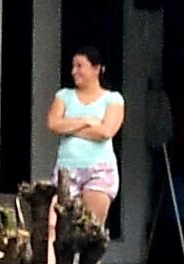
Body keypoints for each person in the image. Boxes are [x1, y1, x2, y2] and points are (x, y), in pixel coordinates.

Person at [46, 48, 125, 224]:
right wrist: (86, 121)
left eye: (80, 66)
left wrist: (69, 126)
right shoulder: (64, 96)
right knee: (53, 227)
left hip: (99, 170)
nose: (74, 71)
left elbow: (106, 131)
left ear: (96, 69)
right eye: (73, 66)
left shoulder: (113, 99)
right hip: (66, 170)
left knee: (89, 229)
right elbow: (53, 124)